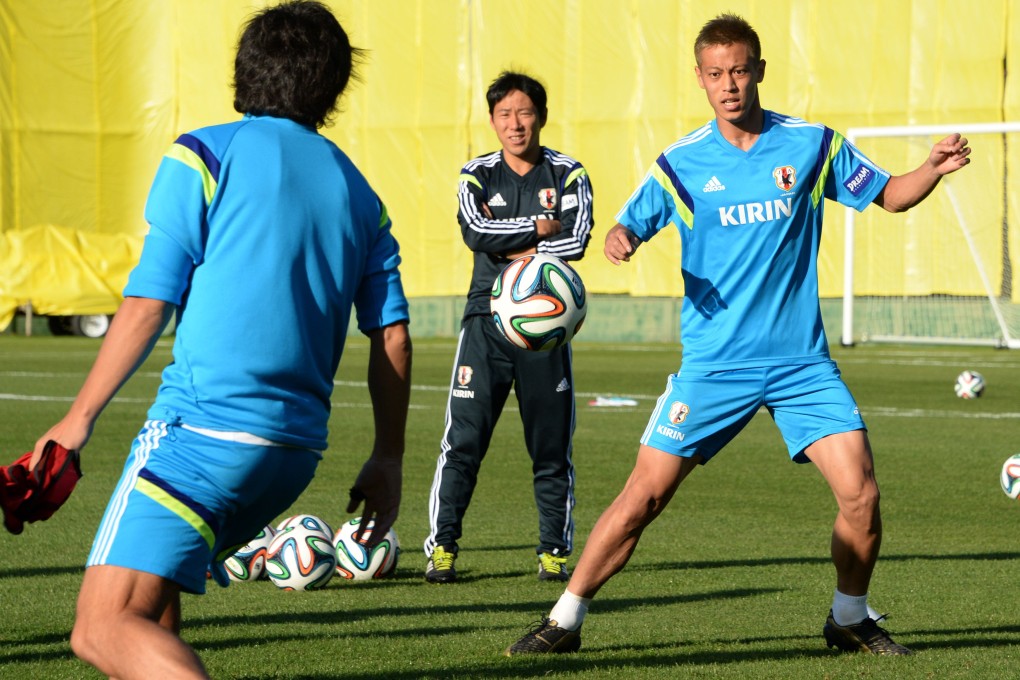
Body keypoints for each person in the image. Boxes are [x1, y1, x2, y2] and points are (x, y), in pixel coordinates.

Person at [506, 13, 970, 656]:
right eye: (716, 74)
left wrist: (932, 168)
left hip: (801, 364)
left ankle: (849, 617)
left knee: (861, 493)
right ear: (700, 79)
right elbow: (629, 223)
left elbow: (889, 195)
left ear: (759, 72)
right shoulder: (680, 164)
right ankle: (564, 618)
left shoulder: (812, 146)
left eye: (740, 71)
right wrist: (621, 237)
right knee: (643, 497)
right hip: (714, 365)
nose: (729, 84)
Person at [29, 2, 412, 677]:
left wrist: (77, 419)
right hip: (292, 453)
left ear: (245, 71)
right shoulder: (361, 194)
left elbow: (150, 301)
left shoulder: (204, 153)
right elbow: (393, 337)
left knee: (101, 628)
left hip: (201, 436)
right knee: (151, 601)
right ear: (333, 87)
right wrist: (388, 457)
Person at [424, 71, 594, 583]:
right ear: (493, 120)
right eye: (504, 114)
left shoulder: (568, 173)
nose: (515, 124)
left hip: (546, 330)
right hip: (486, 322)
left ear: (540, 116)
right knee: (464, 442)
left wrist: (512, 244)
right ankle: (442, 549)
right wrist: (537, 230)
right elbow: (475, 231)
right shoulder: (476, 174)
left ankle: (553, 552)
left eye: (524, 113)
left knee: (550, 446)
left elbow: (576, 239)